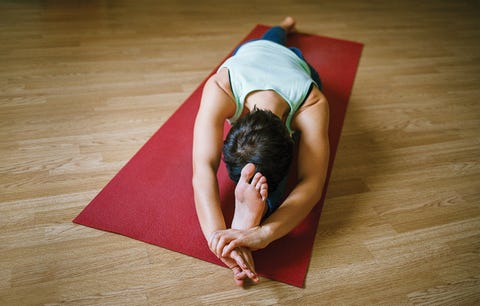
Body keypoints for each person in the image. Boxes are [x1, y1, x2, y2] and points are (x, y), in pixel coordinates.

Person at [192, 16, 330, 286]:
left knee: (276, 37)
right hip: (250, 53)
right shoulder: (222, 86)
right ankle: (285, 25)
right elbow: (202, 168)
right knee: (272, 35)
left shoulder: (311, 101)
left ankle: (285, 26)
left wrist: (265, 232)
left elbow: (312, 184)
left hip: (296, 68)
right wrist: (217, 237)